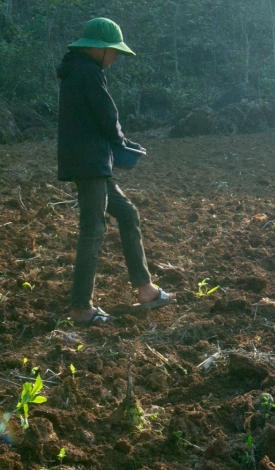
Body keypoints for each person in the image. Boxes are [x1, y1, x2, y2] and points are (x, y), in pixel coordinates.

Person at [57, 17, 172, 326]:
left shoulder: (75, 71)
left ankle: (145, 289)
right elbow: (108, 114)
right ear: (100, 49)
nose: (117, 58)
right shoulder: (88, 72)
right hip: (91, 163)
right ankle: (81, 308)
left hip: (90, 162)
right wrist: (122, 143)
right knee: (93, 231)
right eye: (114, 52)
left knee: (127, 213)